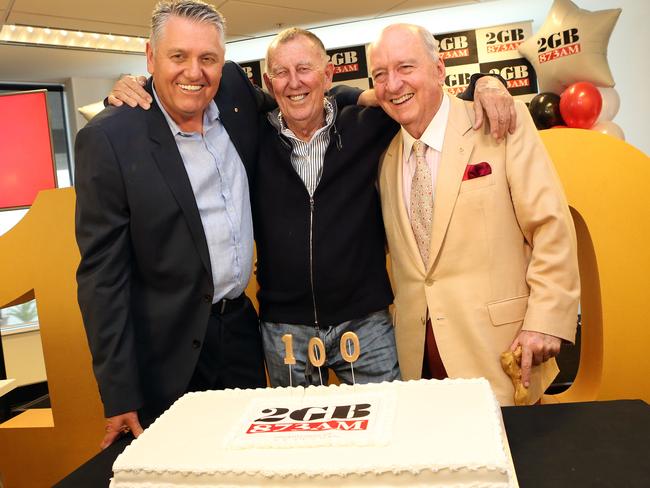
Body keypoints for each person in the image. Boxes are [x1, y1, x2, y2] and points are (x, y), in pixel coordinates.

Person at [108, 24, 517, 388]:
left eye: (304, 69)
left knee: (387, 432)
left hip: (367, 322)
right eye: (281, 73)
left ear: (328, 73)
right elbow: (179, 89)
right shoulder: (249, 138)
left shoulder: (368, 124)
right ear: (268, 82)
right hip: (284, 331)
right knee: (299, 450)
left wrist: (485, 81)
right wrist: (132, 86)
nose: (294, 83)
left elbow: (424, 98)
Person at [75, 0, 271, 449]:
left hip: (241, 332)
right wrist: (119, 391)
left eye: (208, 59)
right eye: (178, 56)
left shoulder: (235, 92)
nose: (194, 72)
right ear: (150, 57)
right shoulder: (110, 139)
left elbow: (301, 99)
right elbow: (102, 278)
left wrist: (365, 94)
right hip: (165, 356)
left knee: (252, 465)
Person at [368, 24, 579, 405]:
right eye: (380, 74)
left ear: (439, 69)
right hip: (421, 369)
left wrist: (546, 321)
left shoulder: (500, 123)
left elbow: (550, 226)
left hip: (504, 359)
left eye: (406, 67)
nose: (393, 84)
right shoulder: (386, 160)